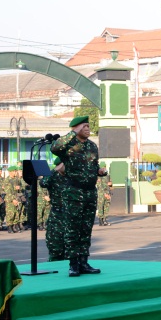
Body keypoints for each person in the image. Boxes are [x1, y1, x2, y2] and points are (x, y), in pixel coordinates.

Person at [51, 115, 105, 277]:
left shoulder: (92, 146)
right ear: (77, 128)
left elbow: (92, 166)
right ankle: (73, 263)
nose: (88, 129)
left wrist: (99, 172)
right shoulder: (68, 145)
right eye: (85, 126)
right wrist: (72, 133)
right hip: (73, 191)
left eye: (88, 127)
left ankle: (84, 261)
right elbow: (54, 148)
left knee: (86, 228)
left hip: (89, 192)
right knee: (72, 228)